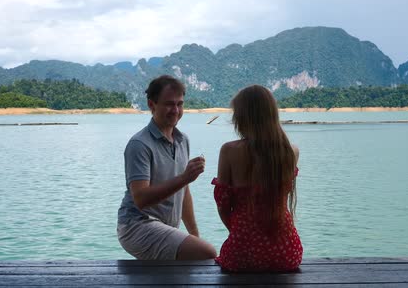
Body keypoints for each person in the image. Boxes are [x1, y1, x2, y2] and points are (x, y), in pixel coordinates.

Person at [117, 75, 217, 260]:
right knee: (207, 253)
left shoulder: (182, 140)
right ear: (151, 105)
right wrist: (184, 178)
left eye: (180, 104)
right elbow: (140, 199)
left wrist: (193, 234)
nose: (176, 110)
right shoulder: (139, 144)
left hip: (165, 227)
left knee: (197, 252)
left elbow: (183, 191)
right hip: (136, 226)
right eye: (169, 104)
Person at [212, 84, 303, 271]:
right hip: (287, 253)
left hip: (242, 252)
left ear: (242, 118)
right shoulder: (290, 152)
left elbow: (223, 206)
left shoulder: (229, 151)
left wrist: (242, 234)